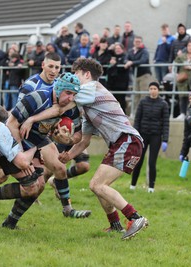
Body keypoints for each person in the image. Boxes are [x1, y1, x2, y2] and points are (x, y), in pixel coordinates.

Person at [24, 58, 149, 240]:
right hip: (121, 143)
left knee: (97, 185)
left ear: (87, 74)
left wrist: (32, 119)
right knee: (99, 186)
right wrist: (67, 154)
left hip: (128, 141)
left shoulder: (91, 88)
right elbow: (83, 141)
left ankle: (135, 217)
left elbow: (60, 107)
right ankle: (115, 224)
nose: (73, 81)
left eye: (76, 75)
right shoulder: (88, 105)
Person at [0, 71, 90, 230]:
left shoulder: (71, 106)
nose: (71, 98)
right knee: (0, 177)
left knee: (52, 174)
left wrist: (67, 140)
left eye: (74, 94)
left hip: (37, 138)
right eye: (68, 93)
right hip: (16, 135)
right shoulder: (37, 97)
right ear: (59, 88)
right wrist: (19, 154)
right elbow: (11, 123)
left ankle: (13, 221)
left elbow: (77, 135)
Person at [130, 81, 170, 193]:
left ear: (158, 90)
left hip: (156, 136)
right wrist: (135, 135)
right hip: (143, 135)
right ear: (148, 90)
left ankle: (151, 187)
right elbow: (137, 120)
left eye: (155, 88)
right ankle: (133, 185)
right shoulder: (143, 102)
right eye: (151, 88)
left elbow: (166, 123)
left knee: (152, 162)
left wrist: (165, 139)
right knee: (138, 160)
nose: (153, 90)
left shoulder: (163, 104)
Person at [124, 35, 153, 113]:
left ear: (141, 43)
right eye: (136, 41)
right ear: (133, 42)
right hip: (136, 76)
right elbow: (125, 59)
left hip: (144, 75)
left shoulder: (145, 51)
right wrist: (128, 62)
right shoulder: (131, 51)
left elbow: (143, 60)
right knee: (136, 95)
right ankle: (135, 112)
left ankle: (144, 112)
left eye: (139, 42)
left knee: (143, 94)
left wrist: (131, 62)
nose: (137, 43)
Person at [174, 40, 191, 119]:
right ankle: (182, 113)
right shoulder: (182, 56)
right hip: (183, 79)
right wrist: (178, 56)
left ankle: (190, 113)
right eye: (189, 46)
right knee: (182, 96)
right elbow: (175, 63)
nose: (190, 48)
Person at [107, 43, 130, 113]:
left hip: (122, 84)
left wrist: (115, 64)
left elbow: (123, 68)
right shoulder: (113, 57)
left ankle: (123, 116)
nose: (117, 50)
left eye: (119, 48)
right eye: (116, 49)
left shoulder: (125, 57)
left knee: (121, 102)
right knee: (114, 102)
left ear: (122, 49)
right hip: (114, 83)